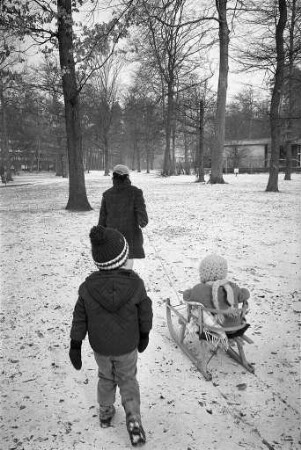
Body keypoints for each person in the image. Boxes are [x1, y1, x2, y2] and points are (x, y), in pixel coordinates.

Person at [69, 225, 153, 446]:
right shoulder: (136, 285)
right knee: (127, 380)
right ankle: (133, 417)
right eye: (128, 256)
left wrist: (75, 343)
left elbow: (80, 317)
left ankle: (106, 412)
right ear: (122, 261)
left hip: (101, 348)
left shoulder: (87, 288)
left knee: (106, 378)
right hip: (127, 347)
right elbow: (145, 311)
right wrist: (144, 334)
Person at [183, 254, 250, 332]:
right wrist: (243, 291)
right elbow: (245, 294)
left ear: (203, 273)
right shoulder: (232, 287)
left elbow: (187, 296)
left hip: (214, 328)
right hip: (235, 326)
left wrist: (188, 291)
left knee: (194, 310)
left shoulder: (199, 289)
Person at [98, 164, 148, 268]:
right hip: (130, 232)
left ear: (114, 177)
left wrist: (100, 233)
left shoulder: (107, 194)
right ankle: (127, 280)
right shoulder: (135, 192)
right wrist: (142, 221)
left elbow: (102, 218)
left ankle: (119, 280)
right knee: (128, 257)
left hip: (112, 233)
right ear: (127, 177)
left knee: (115, 258)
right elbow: (142, 214)